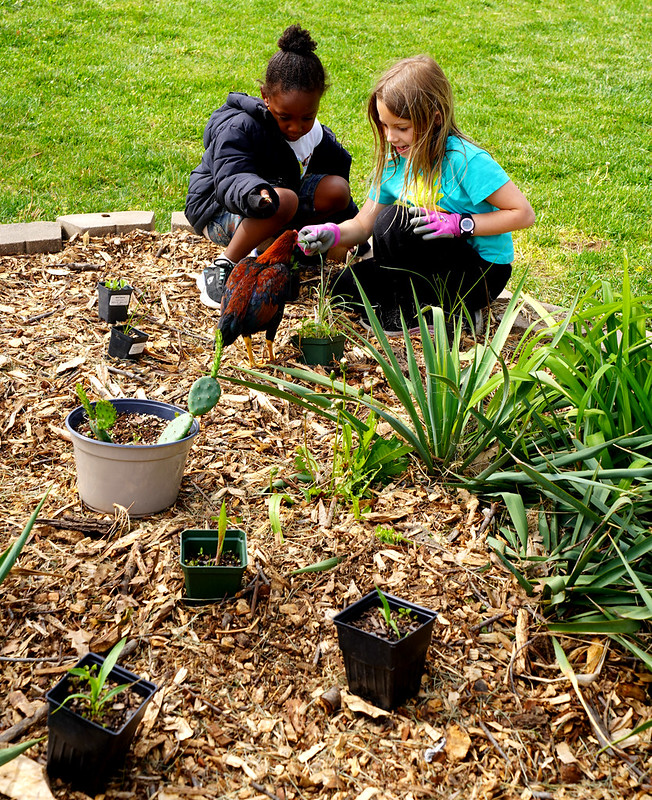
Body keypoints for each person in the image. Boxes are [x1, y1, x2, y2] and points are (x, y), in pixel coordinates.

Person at [298, 55, 535, 334]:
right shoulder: (394, 162)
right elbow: (363, 225)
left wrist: (461, 225)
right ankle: (440, 310)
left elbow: (523, 214)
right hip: (428, 265)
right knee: (344, 289)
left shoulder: (465, 161)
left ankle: (413, 314)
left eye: (401, 128)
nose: (390, 137)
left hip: (479, 272)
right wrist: (332, 234)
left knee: (392, 224)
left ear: (434, 119)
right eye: (385, 125)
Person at [186, 24, 358, 309]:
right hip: (221, 209)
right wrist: (256, 193)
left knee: (337, 190)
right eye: (285, 116)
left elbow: (336, 184)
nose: (296, 127)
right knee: (286, 199)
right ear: (266, 97)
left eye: (307, 117)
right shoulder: (241, 127)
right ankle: (222, 266)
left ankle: (283, 246)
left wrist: (355, 229)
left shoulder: (315, 135)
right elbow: (231, 175)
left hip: (276, 208)